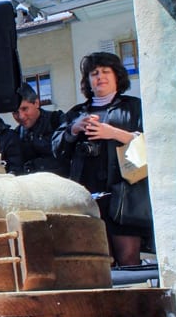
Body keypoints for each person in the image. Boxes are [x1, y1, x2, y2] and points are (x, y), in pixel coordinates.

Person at [52, 52, 150, 266]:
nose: (100, 77)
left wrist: (113, 133)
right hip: (88, 197)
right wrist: (73, 129)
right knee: (96, 262)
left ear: (117, 77)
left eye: (106, 72)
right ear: (88, 81)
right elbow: (57, 149)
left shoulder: (134, 107)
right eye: (94, 73)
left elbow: (151, 144)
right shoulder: (76, 113)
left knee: (129, 260)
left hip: (125, 197)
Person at [14, 83, 69, 176]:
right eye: (15, 112)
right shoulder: (16, 134)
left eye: (25, 109)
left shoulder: (57, 121)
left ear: (36, 103)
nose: (21, 116)